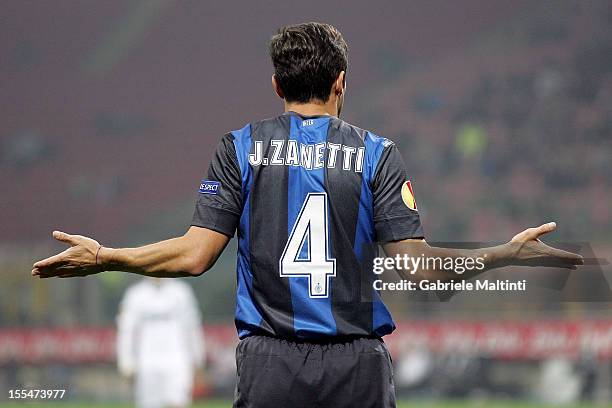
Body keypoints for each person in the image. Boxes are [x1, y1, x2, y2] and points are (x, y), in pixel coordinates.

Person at [32, 22, 583, 408]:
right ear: (342, 80)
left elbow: (195, 255)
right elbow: (421, 272)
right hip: (356, 366)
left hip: (271, 365)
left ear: (276, 86)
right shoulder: (376, 154)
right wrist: (507, 254)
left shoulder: (242, 146)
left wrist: (106, 257)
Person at [117, 278, 204, 408]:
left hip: (177, 360)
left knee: (178, 402)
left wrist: (198, 359)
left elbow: (192, 327)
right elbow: (126, 331)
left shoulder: (181, 292)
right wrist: (126, 363)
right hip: (146, 363)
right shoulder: (135, 294)